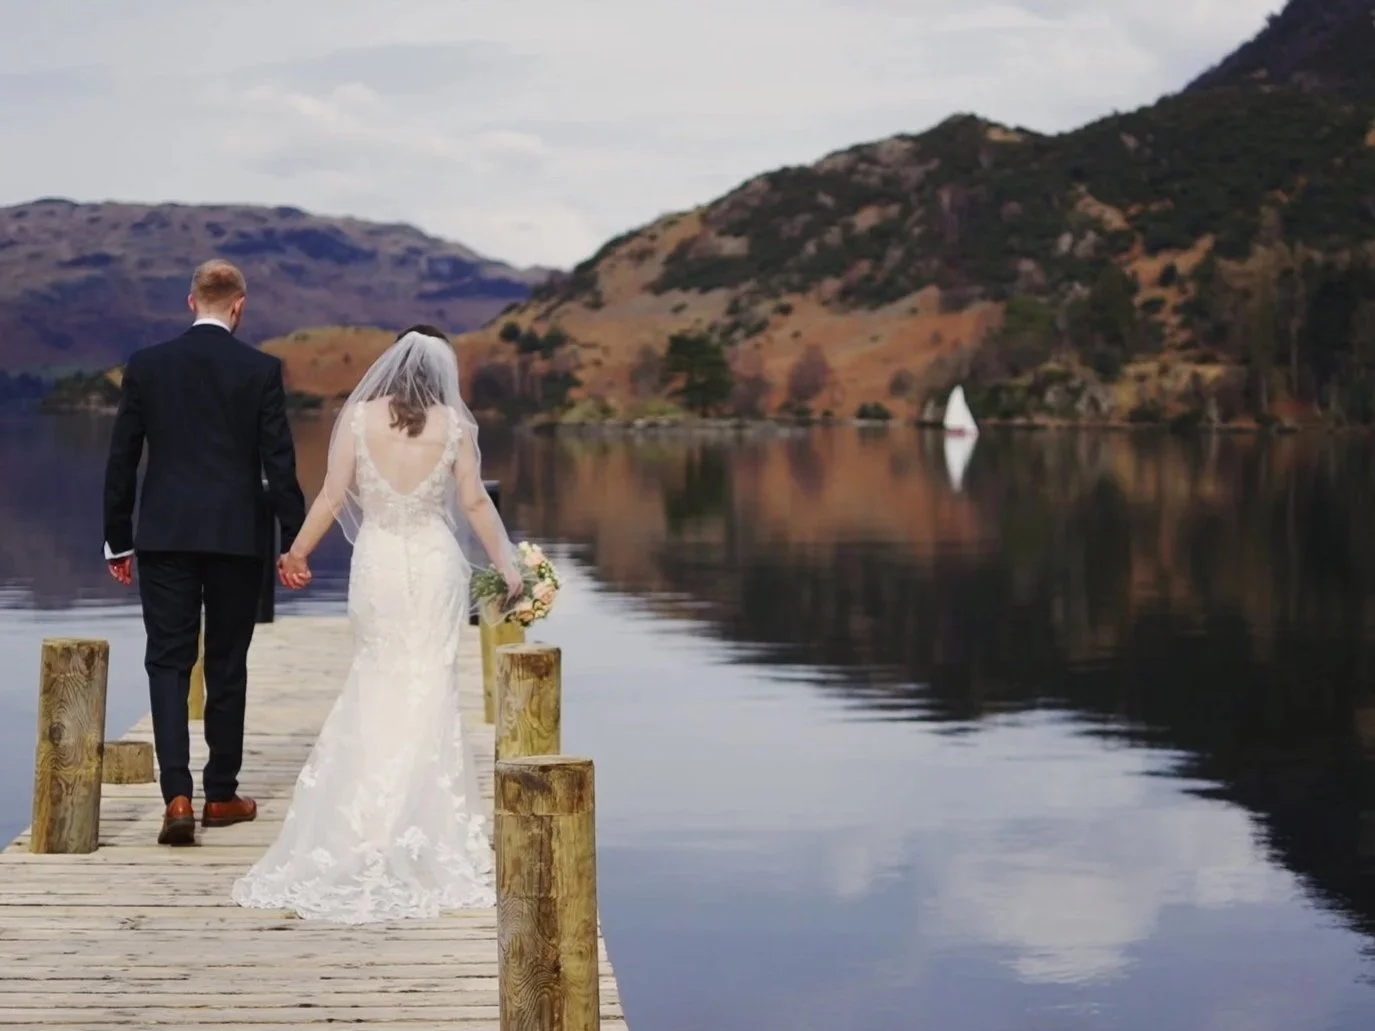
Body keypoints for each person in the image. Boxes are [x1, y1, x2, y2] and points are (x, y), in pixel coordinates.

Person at [230, 325, 523, 923]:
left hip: (380, 563)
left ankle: (361, 822)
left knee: (378, 678)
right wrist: (508, 564)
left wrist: (297, 553)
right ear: (443, 373)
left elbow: (333, 496)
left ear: (390, 364)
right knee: (431, 684)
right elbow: (472, 503)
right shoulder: (456, 427)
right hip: (435, 564)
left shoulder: (359, 418)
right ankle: (423, 824)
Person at [103, 260, 307, 846]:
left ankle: (176, 796)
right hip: (236, 538)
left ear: (189, 300)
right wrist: (293, 541)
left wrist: (118, 538)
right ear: (239, 305)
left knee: (167, 661)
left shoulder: (147, 366)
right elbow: (280, 466)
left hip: (164, 536)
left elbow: (123, 459)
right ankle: (221, 795)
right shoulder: (261, 370)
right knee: (226, 661)